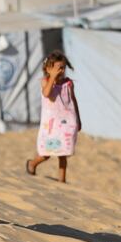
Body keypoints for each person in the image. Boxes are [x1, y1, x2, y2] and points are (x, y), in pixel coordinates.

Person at [25, 50, 81, 183]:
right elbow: (46, 93)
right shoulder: (45, 81)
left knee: (63, 154)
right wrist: (52, 78)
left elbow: (73, 100)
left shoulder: (68, 83)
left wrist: (78, 119)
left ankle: (62, 181)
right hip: (51, 124)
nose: (61, 71)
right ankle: (32, 164)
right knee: (47, 153)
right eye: (58, 68)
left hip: (67, 122)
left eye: (63, 68)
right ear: (48, 68)